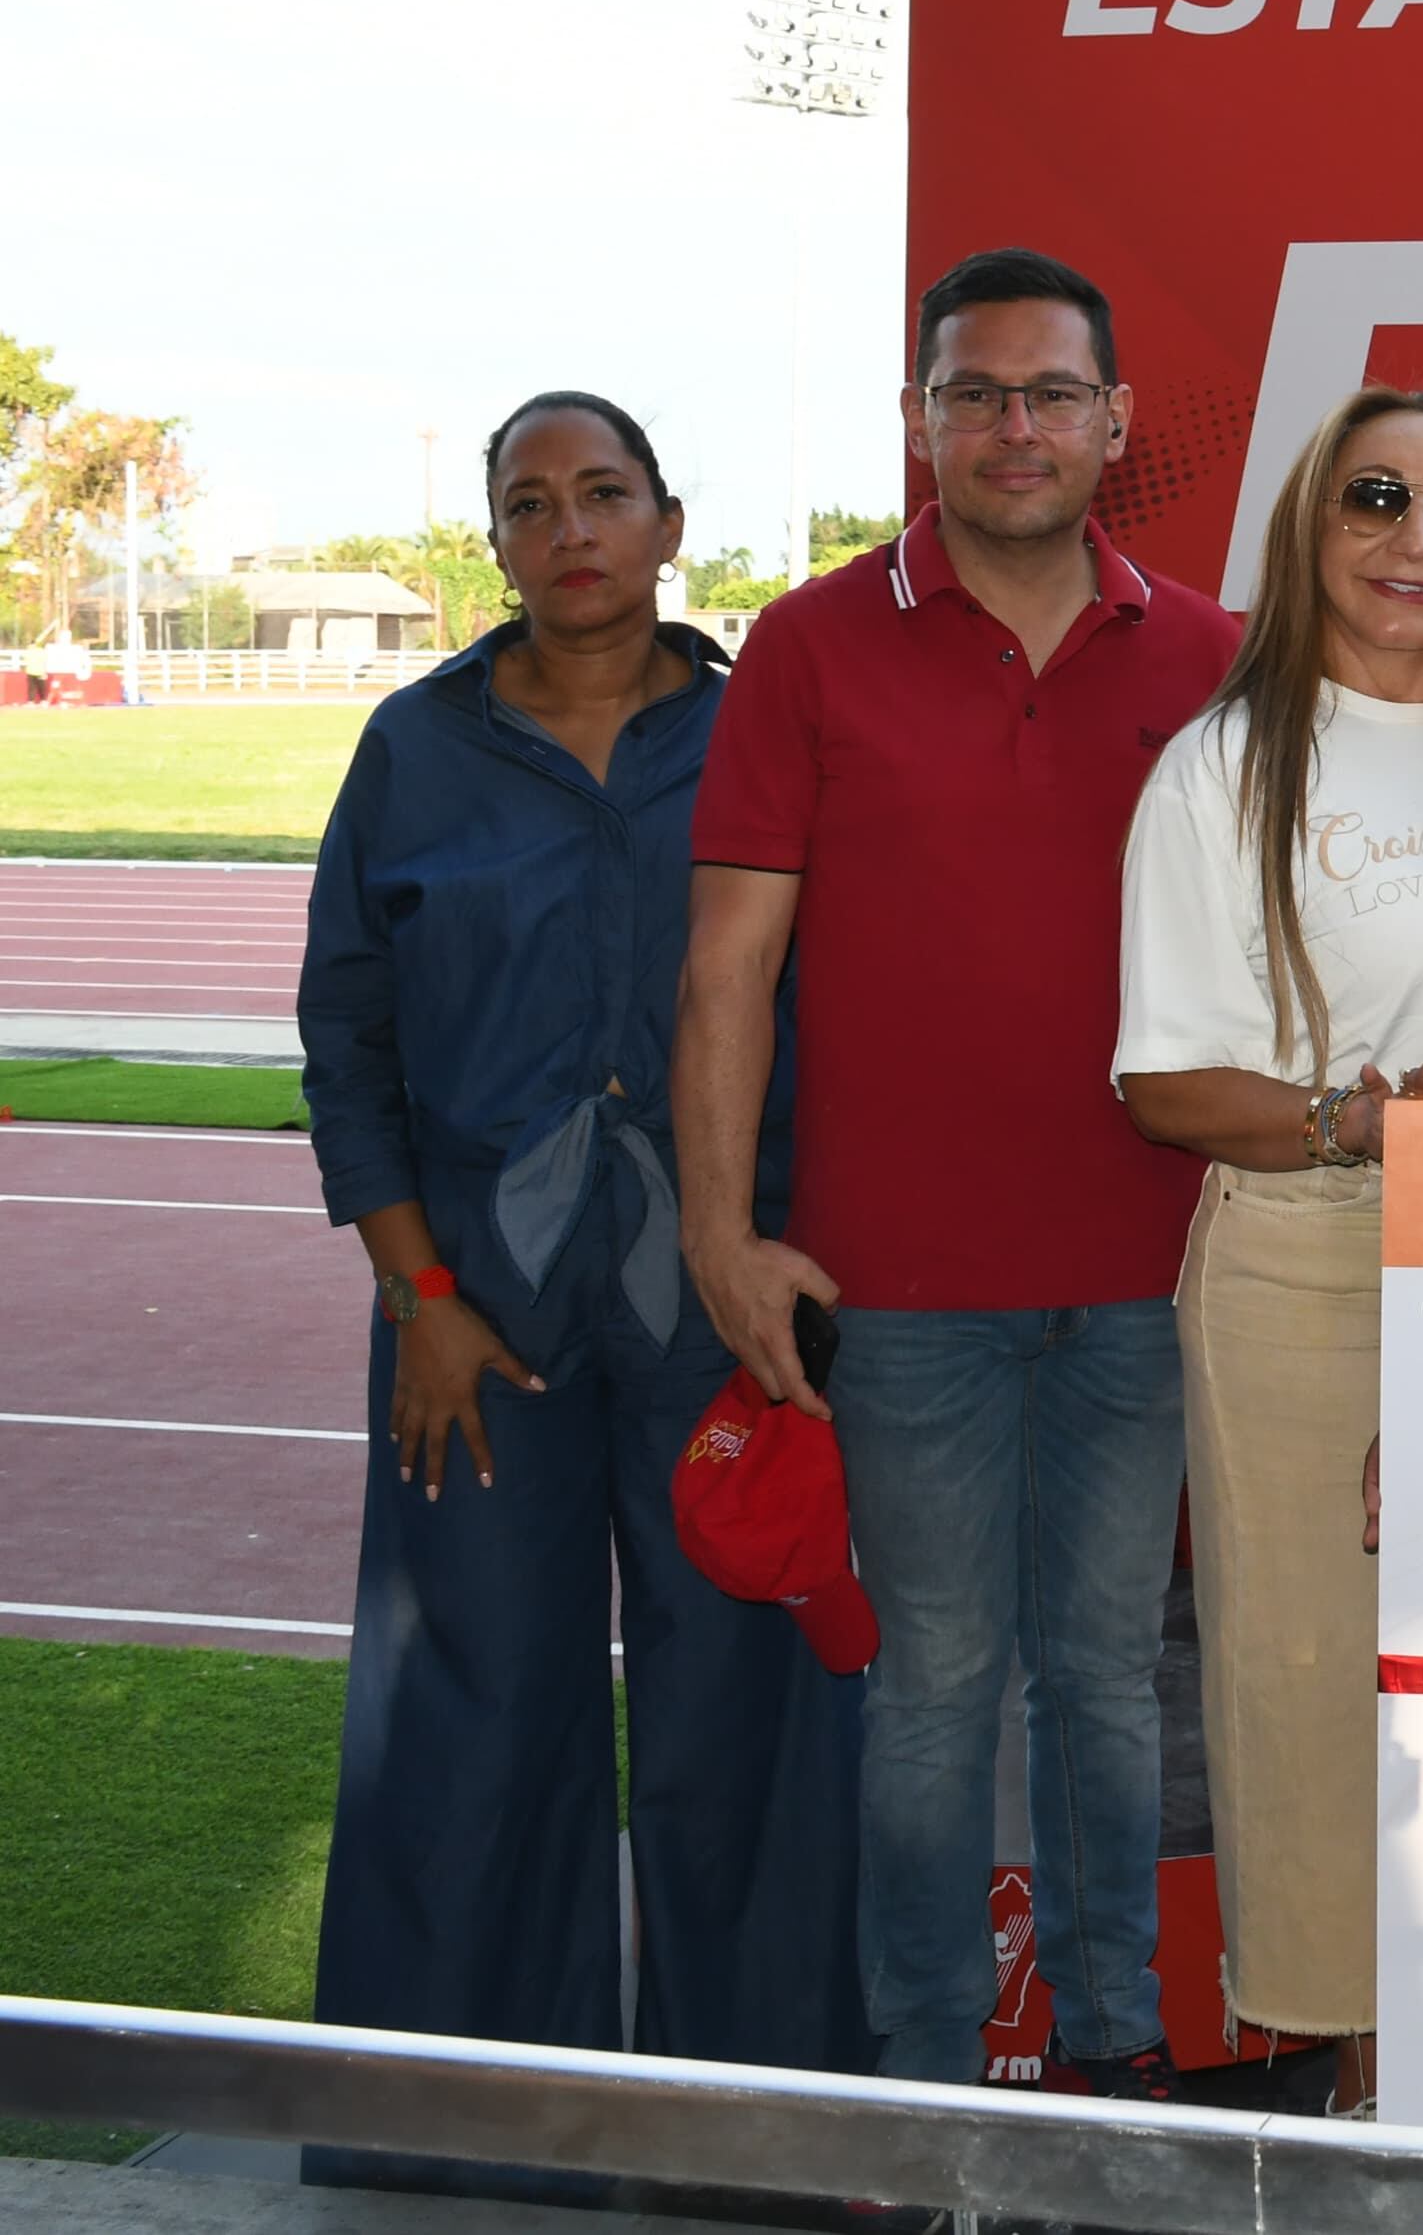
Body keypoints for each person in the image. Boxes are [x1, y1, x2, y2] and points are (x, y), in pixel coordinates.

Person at [676, 246, 1238, 2095]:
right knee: (931, 1689)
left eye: (1051, 392)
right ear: (918, 420)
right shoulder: (809, 642)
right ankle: (927, 2087)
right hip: (895, 1287)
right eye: (974, 393)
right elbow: (729, 966)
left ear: (1115, 421)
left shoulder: (1216, 655)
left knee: (1107, 1679)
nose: (1015, 426)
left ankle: (1113, 2057)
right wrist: (721, 1234)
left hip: (1150, 1274)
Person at [298, 391, 868, 2182]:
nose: (571, 530)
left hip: (724, 1308)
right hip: (480, 1318)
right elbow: (346, 1039)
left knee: (743, 1715)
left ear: (668, 521)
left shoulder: (763, 729)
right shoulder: (416, 748)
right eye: (530, 503)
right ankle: (454, 2138)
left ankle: (758, 2136)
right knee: (471, 1712)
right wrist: (419, 1295)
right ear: (496, 542)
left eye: (603, 493)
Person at [1114, 389, 1423, 2114]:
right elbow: (1162, 1083)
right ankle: (1355, 2073)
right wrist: (1352, 1124)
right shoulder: (1224, 761)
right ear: (1311, 527)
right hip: (1299, 1255)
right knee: (1309, 1680)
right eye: (1377, 496)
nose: (1415, 538)